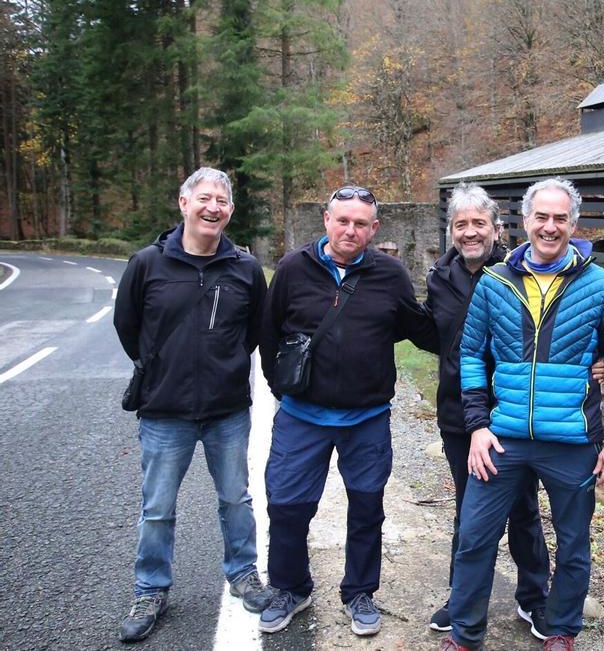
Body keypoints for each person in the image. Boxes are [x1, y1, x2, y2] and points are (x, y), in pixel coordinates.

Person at [438, 177, 604, 651]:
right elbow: (471, 357)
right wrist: (477, 427)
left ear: (573, 223)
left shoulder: (601, 286)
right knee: (474, 538)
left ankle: (561, 629)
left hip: (572, 441)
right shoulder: (495, 282)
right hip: (502, 439)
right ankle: (465, 635)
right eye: (541, 217)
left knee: (573, 545)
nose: (550, 227)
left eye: (560, 218)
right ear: (524, 221)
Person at [258, 184, 435, 637]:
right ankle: (290, 588)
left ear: (374, 229)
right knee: (287, 505)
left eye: (361, 224)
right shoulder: (294, 269)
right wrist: (283, 387)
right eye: (343, 220)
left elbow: (419, 329)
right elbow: (269, 332)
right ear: (326, 220)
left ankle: (360, 592)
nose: (350, 230)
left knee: (366, 506)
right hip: (302, 416)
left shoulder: (390, 274)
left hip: (367, 419)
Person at [113, 167, 272, 643]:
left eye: (221, 201)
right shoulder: (147, 264)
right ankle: (150, 590)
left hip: (227, 410)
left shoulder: (245, 268)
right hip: (164, 411)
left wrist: (221, 367)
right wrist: (162, 367)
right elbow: (128, 327)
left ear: (230, 211)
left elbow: (253, 334)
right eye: (204, 199)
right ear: (183, 203)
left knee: (235, 499)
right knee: (157, 507)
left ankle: (243, 574)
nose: (213, 208)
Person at [422, 183, 553, 640]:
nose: (470, 232)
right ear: (452, 231)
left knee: (521, 509)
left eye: (479, 223)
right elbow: (434, 335)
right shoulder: (439, 278)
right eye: (461, 225)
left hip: (514, 414)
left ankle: (534, 599)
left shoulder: (519, 273)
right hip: (460, 417)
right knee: (469, 510)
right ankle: (462, 600)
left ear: (496, 228)